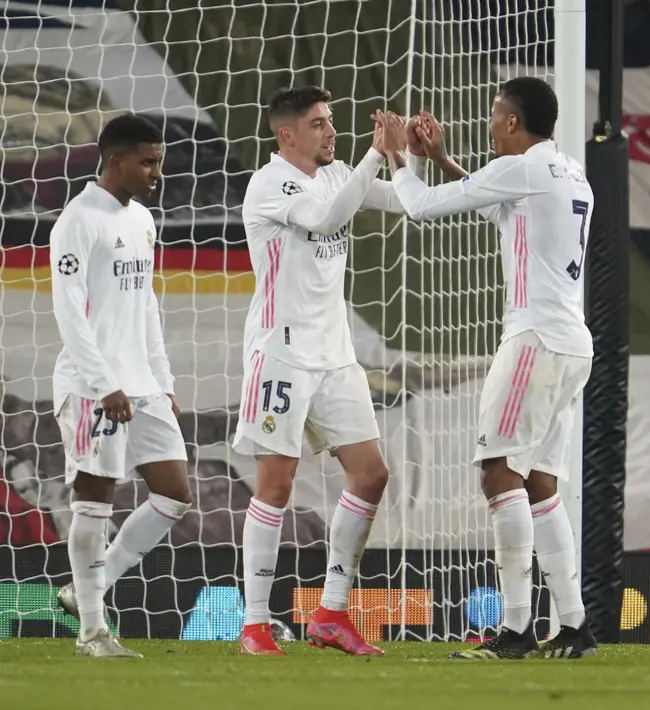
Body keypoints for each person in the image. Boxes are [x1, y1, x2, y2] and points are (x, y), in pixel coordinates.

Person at [380, 77, 597, 659]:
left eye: (494, 114)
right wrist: (443, 160)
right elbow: (500, 206)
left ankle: (517, 630)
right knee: (541, 483)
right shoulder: (569, 172)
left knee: (499, 472)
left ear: (510, 123)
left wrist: (401, 157)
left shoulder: (521, 170)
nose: (489, 123)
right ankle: (574, 625)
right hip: (572, 342)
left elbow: (421, 207)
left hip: (533, 340)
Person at [233, 86, 422, 656]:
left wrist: (408, 156)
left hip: (336, 356)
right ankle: (256, 625)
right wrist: (373, 156)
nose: (330, 131)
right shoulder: (271, 183)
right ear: (285, 134)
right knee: (277, 484)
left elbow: (405, 201)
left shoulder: (340, 173)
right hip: (281, 355)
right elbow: (322, 219)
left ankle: (331, 614)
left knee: (371, 475)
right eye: (318, 124)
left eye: (331, 121)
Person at [50, 113, 193, 657]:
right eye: (147, 162)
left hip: (142, 385)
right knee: (95, 502)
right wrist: (103, 381)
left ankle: (88, 587)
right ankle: (92, 631)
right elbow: (70, 313)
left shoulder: (142, 219)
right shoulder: (77, 222)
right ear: (115, 161)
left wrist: (163, 380)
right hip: (94, 388)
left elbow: (146, 306)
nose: (156, 171)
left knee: (175, 493)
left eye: (157, 161)